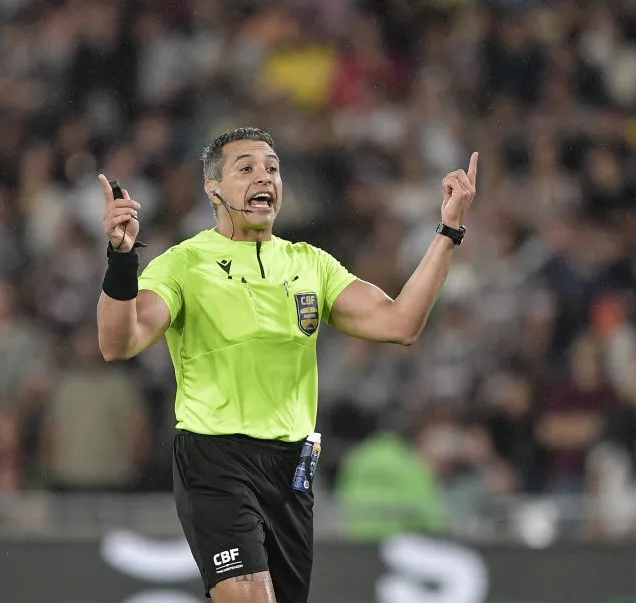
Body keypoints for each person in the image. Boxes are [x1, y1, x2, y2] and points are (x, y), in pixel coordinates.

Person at [96, 127, 477, 603]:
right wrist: (121, 259)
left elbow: (400, 323)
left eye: (273, 168)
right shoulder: (183, 264)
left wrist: (448, 232)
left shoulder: (312, 265)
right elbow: (120, 342)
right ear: (212, 190)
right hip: (216, 459)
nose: (266, 178)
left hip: (292, 468)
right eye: (247, 168)